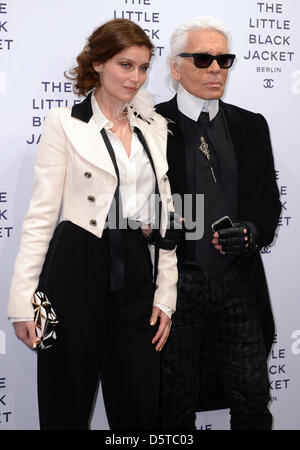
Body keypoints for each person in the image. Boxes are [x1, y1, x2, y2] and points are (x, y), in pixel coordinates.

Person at [7, 18, 178, 430]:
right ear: (98, 63)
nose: (135, 77)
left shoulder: (154, 127)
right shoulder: (64, 123)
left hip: (136, 271)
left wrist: (165, 296)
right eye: (125, 65)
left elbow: (167, 217)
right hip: (77, 265)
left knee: (139, 407)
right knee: (66, 398)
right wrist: (20, 303)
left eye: (142, 67)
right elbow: (42, 216)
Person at [156, 16, 281, 430]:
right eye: (204, 58)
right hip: (175, 283)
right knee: (173, 405)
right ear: (176, 67)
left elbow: (268, 206)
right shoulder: (149, 126)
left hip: (238, 282)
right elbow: (128, 206)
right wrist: (159, 227)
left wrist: (251, 232)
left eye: (224, 59)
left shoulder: (251, 124)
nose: (215, 68)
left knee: (252, 400)